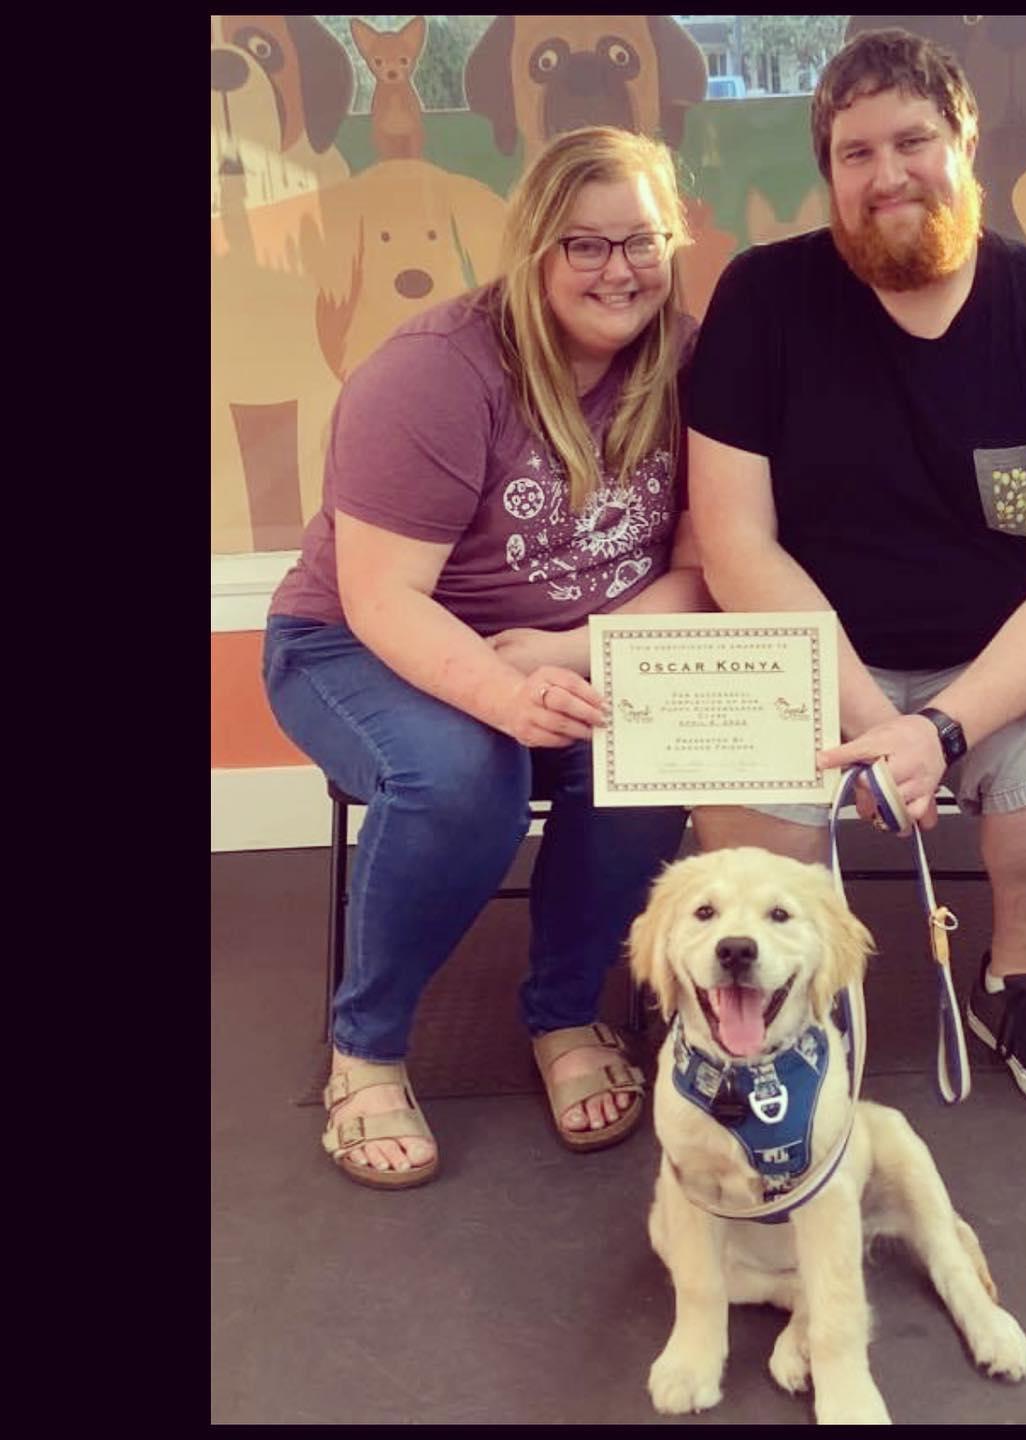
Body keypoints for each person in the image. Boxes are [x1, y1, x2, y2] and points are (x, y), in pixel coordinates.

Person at [684, 29, 1026, 1117]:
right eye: (854, 154)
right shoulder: (762, 300)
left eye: (913, 140)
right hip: (810, 664)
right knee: (723, 724)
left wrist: (940, 728)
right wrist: (877, 718)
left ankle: (1021, 981)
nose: (886, 173)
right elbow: (736, 544)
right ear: (830, 178)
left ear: (966, 143)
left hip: (996, 666)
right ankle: (767, 1020)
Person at [263, 126, 707, 1188]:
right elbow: (382, 598)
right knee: (467, 778)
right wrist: (507, 694)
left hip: (567, 643)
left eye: (640, 241)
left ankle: (563, 1016)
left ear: (673, 243)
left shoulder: (690, 362)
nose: (618, 270)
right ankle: (364, 1049)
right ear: (535, 248)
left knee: (649, 749)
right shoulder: (436, 375)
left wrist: (575, 651)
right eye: (585, 246)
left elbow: (701, 571)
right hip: (357, 644)